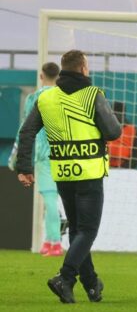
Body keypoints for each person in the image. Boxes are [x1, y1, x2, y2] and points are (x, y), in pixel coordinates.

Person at [15, 50, 121, 304]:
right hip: (89, 172)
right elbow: (113, 131)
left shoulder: (46, 98)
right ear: (84, 68)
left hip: (63, 173)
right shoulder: (93, 95)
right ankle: (65, 277)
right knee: (88, 230)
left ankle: (92, 284)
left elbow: (27, 132)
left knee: (77, 230)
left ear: (63, 69)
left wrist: (24, 167)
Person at [8, 62, 64, 257]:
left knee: (49, 200)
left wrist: (15, 156)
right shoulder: (64, 97)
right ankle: (49, 240)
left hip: (43, 155)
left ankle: (55, 242)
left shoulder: (34, 98)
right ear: (59, 77)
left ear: (41, 76)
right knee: (56, 200)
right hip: (65, 154)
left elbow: (25, 130)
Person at [108, 101, 137, 169]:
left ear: (124, 115)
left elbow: (136, 155)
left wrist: (123, 169)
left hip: (124, 169)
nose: (117, 117)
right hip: (104, 166)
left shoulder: (132, 130)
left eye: (119, 114)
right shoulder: (104, 126)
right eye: (115, 114)